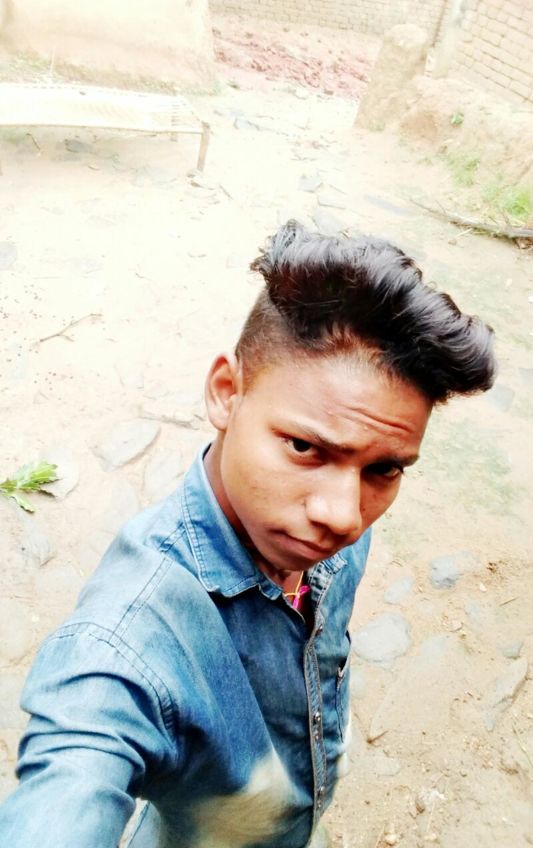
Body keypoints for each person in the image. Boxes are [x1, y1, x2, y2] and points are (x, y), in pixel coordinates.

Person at [0, 221, 495, 847]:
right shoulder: (125, 643)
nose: (345, 517)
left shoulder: (315, 525)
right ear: (226, 393)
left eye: (385, 469)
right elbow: (71, 779)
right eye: (305, 447)